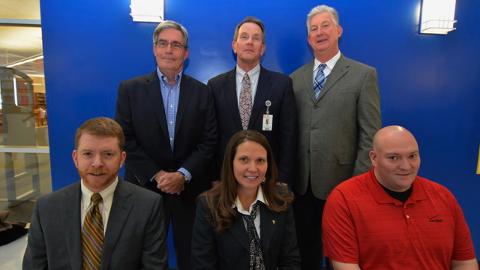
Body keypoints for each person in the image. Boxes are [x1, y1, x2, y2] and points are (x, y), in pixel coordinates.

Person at [115, 20, 217, 270]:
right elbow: (124, 139)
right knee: (141, 257)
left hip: (189, 191)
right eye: (163, 43)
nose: (169, 50)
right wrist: (158, 175)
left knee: (193, 257)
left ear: (186, 52)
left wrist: (182, 175)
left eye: (176, 44)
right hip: (144, 188)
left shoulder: (203, 92)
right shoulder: (130, 90)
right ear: (154, 49)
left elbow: (209, 140)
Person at [289, 5, 381, 269]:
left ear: (339, 31)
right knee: (305, 253)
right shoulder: (295, 79)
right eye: (313, 29)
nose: (319, 32)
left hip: (342, 184)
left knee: (342, 255)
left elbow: (370, 134)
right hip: (302, 186)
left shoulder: (364, 75)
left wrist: (359, 184)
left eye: (325, 25)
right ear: (308, 38)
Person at [323, 125, 478, 270]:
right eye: (393, 158)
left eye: (412, 156)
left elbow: (464, 263)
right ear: (374, 158)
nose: (406, 166)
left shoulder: (443, 196)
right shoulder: (344, 199)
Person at [23, 117, 167, 270]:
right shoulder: (47, 208)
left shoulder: (147, 205)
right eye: (88, 154)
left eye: (108, 154)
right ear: (75, 158)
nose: (97, 163)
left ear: (122, 159)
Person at [191, 130, 301, 270]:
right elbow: (203, 265)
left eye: (260, 160)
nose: (253, 169)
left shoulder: (281, 199)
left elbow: (290, 261)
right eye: (244, 159)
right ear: (230, 162)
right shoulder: (208, 204)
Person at [208, 17, 297, 185]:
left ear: (262, 48)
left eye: (256, 38)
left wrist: (282, 180)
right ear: (234, 45)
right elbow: (211, 137)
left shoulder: (282, 84)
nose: (250, 42)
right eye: (244, 37)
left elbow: (288, 138)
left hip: (267, 178)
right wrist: (215, 177)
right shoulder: (215, 86)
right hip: (226, 179)